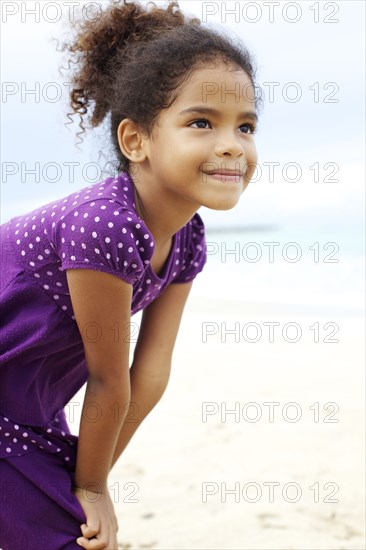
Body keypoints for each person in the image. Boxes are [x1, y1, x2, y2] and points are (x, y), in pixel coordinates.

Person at [0, 0, 261, 548]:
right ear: (135, 140)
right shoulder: (106, 225)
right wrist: (91, 488)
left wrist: (89, 482)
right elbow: (108, 378)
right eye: (201, 122)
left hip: (28, 407)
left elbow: (150, 373)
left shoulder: (188, 238)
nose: (231, 144)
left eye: (246, 125)